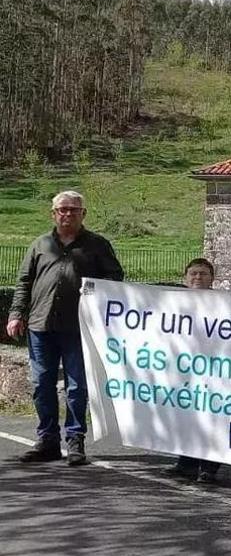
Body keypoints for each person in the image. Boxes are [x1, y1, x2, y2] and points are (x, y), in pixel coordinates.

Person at [9, 190, 124, 466]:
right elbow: (25, 282)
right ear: (54, 213)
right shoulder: (40, 244)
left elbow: (115, 278)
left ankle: (75, 440)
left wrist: (95, 294)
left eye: (73, 209)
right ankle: (47, 440)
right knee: (41, 385)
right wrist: (16, 314)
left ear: (83, 214)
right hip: (41, 324)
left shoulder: (97, 245)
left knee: (77, 386)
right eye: (62, 209)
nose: (68, 214)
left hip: (80, 327)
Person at [169, 259, 224, 483]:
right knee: (187, 415)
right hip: (185, 369)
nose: (198, 278)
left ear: (212, 278)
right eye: (193, 274)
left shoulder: (223, 302)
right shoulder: (175, 301)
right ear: (185, 277)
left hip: (215, 370)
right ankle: (186, 462)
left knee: (211, 418)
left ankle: (209, 467)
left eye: (203, 274)